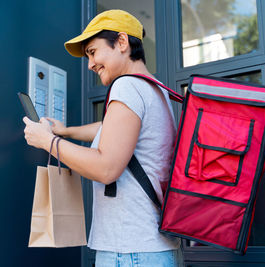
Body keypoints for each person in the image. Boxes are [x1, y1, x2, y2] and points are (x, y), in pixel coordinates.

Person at [23, 9, 183, 267]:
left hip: (130, 251)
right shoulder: (154, 89)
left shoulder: (126, 86)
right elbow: (112, 129)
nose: (90, 64)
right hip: (152, 248)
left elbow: (106, 168)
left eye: (93, 52)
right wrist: (65, 131)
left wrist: (47, 142)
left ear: (121, 42)